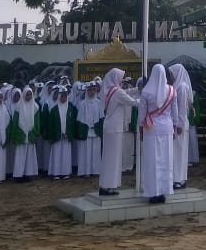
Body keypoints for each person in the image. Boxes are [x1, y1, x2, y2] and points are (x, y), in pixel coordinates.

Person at [139, 63, 178, 204]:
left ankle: (153, 193)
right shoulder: (172, 90)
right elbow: (175, 112)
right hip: (167, 128)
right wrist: (175, 127)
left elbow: (142, 114)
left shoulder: (146, 91)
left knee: (152, 161)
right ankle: (163, 192)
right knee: (165, 161)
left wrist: (140, 129)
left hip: (151, 128)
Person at [98, 67, 138, 197]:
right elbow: (132, 101)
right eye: (120, 77)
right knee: (113, 158)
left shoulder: (109, 90)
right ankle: (109, 186)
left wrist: (137, 89)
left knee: (108, 158)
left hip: (109, 126)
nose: (121, 80)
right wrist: (144, 99)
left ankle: (105, 185)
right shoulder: (117, 92)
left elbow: (126, 92)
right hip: (115, 128)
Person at [169, 63, 193, 189]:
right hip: (180, 125)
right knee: (180, 152)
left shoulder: (182, 87)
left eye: (172, 73)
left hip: (180, 126)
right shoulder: (177, 86)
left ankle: (178, 179)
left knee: (179, 153)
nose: (171, 76)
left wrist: (179, 125)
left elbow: (182, 109)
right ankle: (180, 178)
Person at [10, 86, 40, 181]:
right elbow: (15, 123)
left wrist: (35, 133)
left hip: (31, 134)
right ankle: (18, 175)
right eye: (27, 94)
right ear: (23, 95)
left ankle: (29, 174)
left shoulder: (35, 107)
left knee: (30, 155)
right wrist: (14, 135)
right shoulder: (18, 106)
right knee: (20, 155)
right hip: (20, 134)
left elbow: (37, 123)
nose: (29, 96)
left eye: (30, 94)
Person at [75, 82, 103, 177]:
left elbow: (101, 117)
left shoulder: (98, 103)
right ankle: (85, 171)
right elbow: (79, 119)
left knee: (95, 151)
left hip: (96, 131)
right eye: (90, 90)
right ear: (86, 91)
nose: (92, 92)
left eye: (93, 90)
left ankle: (95, 171)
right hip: (85, 131)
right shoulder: (82, 104)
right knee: (85, 152)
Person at [47, 87, 76, 179]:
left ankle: (65, 173)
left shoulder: (70, 108)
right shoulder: (54, 109)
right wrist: (51, 137)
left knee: (66, 155)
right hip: (57, 136)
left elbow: (73, 123)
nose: (64, 98)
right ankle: (56, 173)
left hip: (67, 136)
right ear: (59, 96)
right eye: (62, 96)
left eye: (65, 96)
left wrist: (71, 134)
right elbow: (50, 124)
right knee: (57, 154)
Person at [188, 90, 201, 166]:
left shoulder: (193, 93)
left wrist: (196, 119)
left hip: (191, 119)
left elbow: (197, 107)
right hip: (183, 121)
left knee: (193, 139)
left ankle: (194, 159)